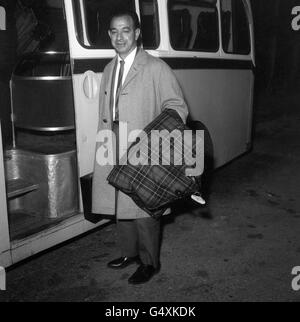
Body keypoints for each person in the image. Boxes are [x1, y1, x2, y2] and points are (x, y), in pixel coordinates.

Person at [92, 10, 188, 284]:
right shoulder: (110, 68)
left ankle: (149, 262)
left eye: (125, 30)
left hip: (143, 145)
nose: (119, 36)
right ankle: (129, 253)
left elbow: (177, 108)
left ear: (137, 33)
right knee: (120, 204)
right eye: (114, 31)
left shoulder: (156, 68)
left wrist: (154, 140)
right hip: (112, 142)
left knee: (144, 208)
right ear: (110, 35)